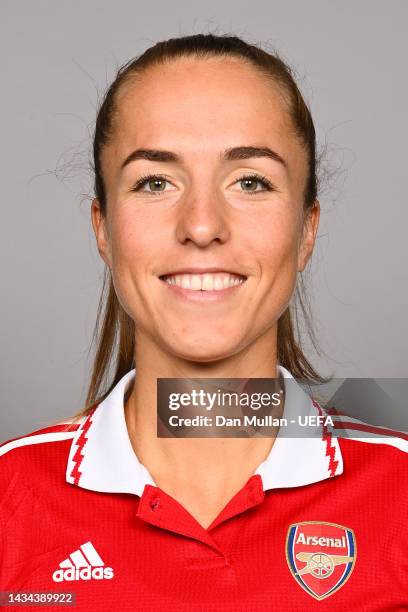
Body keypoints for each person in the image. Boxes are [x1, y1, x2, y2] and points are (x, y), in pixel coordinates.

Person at [1, 33, 407, 611]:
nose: (200, 225)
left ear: (307, 229)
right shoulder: (9, 500)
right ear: (103, 230)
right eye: (155, 182)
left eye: (251, 181)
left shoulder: (400, 495)